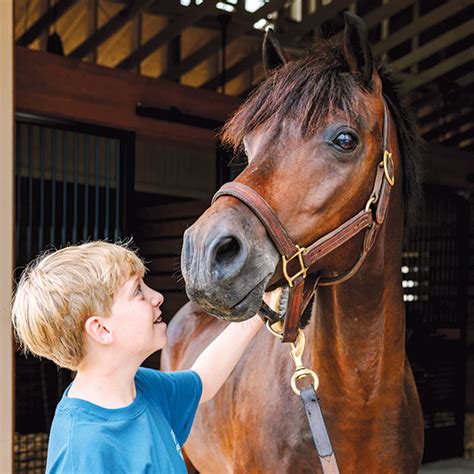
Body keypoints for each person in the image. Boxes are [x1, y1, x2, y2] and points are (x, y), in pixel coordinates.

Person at [12, 241, 279, 473]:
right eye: (137, 291)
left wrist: (261, 309)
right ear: (101, 329)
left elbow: (204, 381)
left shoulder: (143, 388)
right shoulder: (82, 451)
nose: (158, 297)